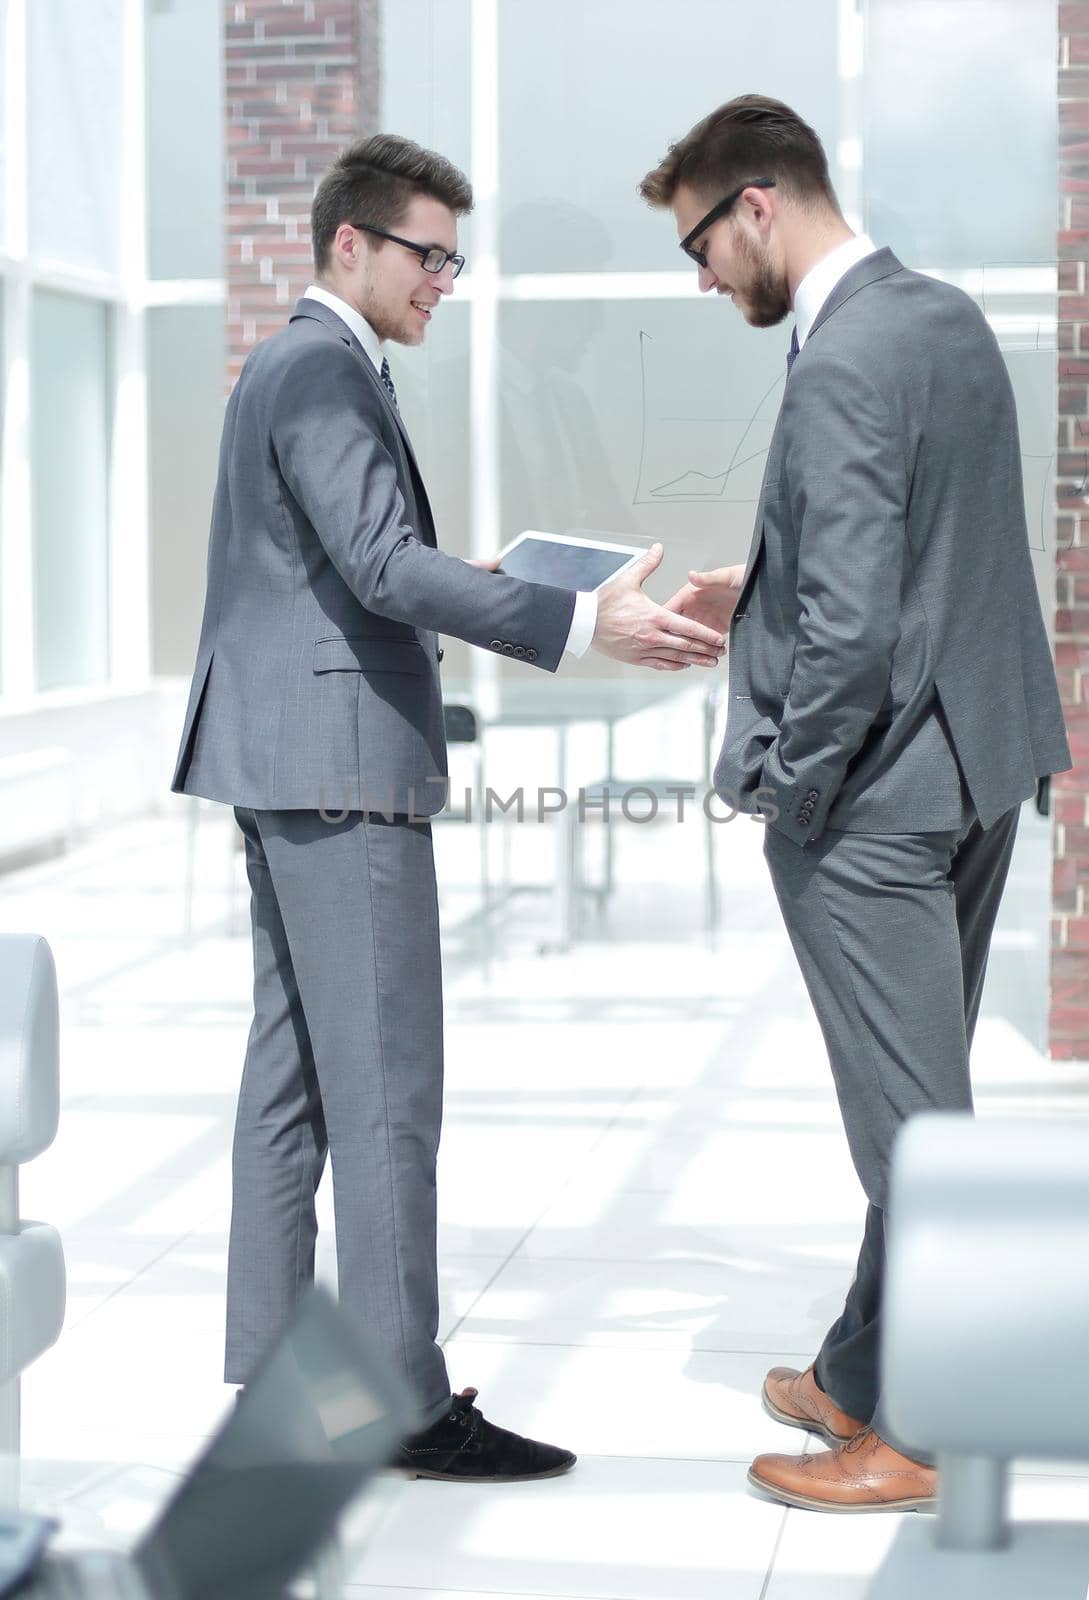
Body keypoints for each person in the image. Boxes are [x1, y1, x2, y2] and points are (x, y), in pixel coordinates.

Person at [171, 133, 724, 1484]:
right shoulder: (320, 368)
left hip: (287, 755)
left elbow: (348, 568)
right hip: (338, 766)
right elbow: (372, 564)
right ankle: (400, 1404)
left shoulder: (308, 367)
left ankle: (269, 1365)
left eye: (454, 258)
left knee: (294, 1081)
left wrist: (492, 579)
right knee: (386, 1095)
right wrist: (570, 616)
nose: (446, 279)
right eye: (428, 254)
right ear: (349, 245)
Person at [640, 95, 1070, 1512]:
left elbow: (852, 631)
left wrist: (786, 787)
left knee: (913, 1129)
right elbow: (921, 539)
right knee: (923, 1095)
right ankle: (857, 1374)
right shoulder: (934, 316)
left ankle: (934, 1435)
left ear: (753, 202)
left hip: (876, 793)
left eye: (699, 245)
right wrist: (754, 588)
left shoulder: (836, 365)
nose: (700, 280)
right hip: (976, 760)